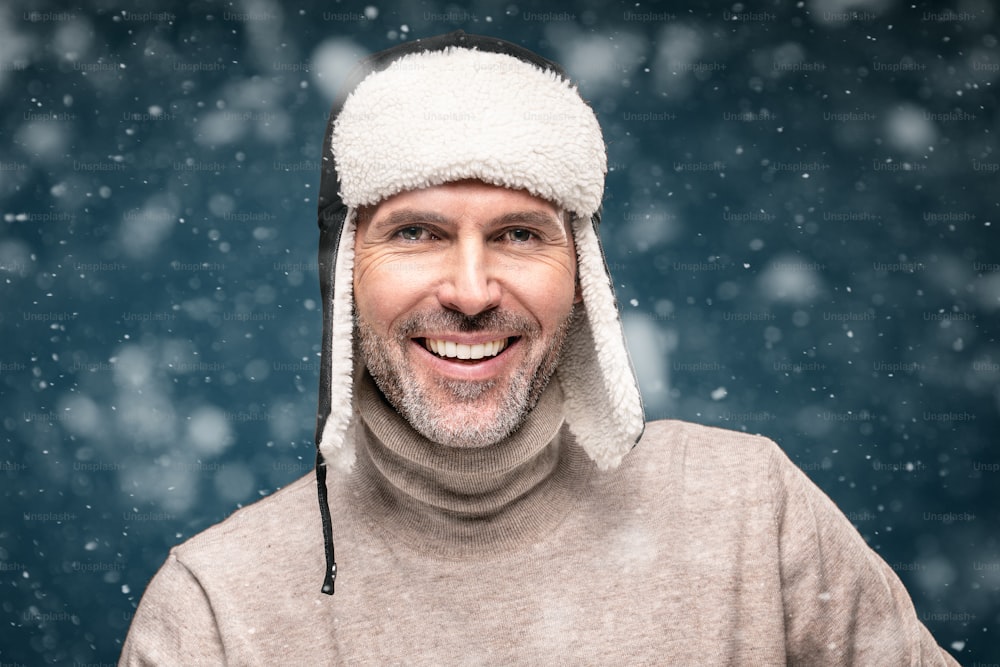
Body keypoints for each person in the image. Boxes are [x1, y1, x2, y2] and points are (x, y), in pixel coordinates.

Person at [120, 31, 960, 665]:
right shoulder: (216, 612)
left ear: (583, 271)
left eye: (520, 234)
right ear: (343, 275)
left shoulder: (751, 517)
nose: (473, 290)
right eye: (416, 232)